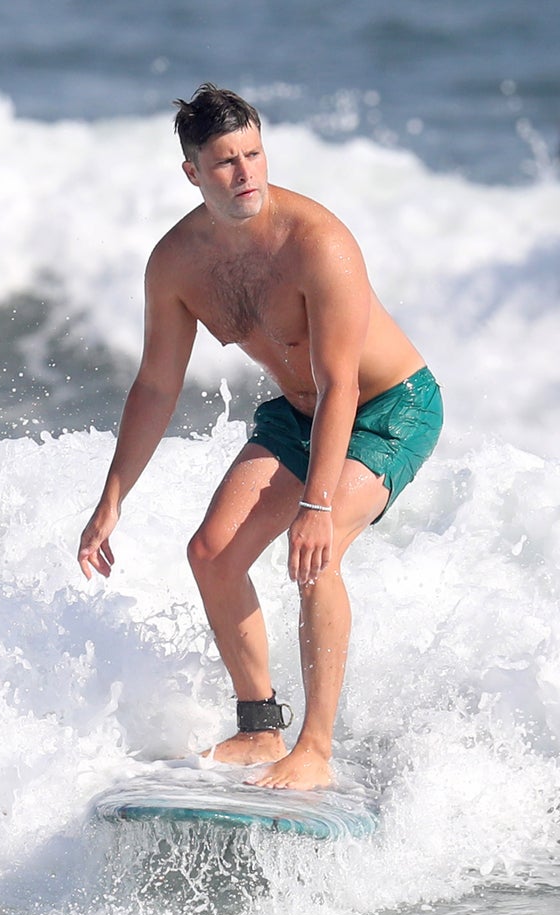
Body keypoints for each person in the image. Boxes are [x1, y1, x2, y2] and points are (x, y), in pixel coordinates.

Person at [78, 83, 443, 791]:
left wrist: (315, 504)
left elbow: (341, 383)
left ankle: (315, 748)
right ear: (192, 173)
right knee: (211, 553)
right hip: (300, 411)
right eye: (224, 163)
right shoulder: (176, 263)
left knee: (319, 550)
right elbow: (155, 386)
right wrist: (112, 498)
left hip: (388, 407)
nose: (245, 173)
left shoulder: (319, 243)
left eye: (253, 154)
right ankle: (259, 725)